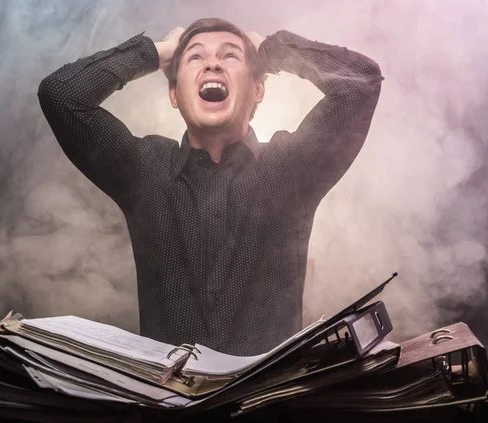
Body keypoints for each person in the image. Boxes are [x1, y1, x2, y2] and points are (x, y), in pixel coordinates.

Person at [37, 18, 383, 356]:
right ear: (174, 94)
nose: (213, 64)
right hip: (169, 409)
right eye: (196, 57)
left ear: (257, 90)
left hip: (268, 408)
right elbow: (61, 95)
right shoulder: (144, 171)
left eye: (230, 56)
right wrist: (157, 52)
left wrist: (273, 49)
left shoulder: (289, 169)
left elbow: (360, 82)